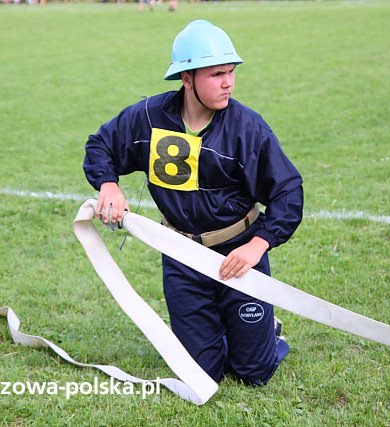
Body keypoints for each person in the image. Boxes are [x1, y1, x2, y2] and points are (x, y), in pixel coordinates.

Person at [83, 20, 303, 386]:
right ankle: (221, 329)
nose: (228, 82)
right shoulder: (149, 117)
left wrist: (257, 245)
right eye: (216, 74)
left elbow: (288, 192)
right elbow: (101, 144)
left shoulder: (249, 128)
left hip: (239, 256)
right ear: (187, 79)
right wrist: (108, 184)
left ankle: (266, 332)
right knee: (201, 375)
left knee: (254, 373)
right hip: (182, 257)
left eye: (230, 72)